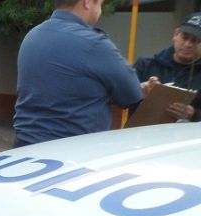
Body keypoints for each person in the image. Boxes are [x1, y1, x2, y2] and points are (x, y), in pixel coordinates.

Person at [13, 0, 144, 147]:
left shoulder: (32, 36)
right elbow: (133, 95)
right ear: (87, 2)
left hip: (22, 147)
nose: (100, 11)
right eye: (100, 4)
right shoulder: (94, 43)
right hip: (72, 153)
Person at [134, 13, 201, 122]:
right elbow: (120, 101)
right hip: (141, 135)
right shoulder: (145, 65)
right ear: (175, 34)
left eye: (196, 40)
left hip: (187, 138)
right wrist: (140, 91)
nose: (188, 44)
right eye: (184, 37)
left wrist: (194, 114)